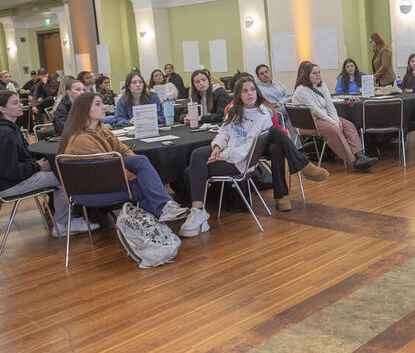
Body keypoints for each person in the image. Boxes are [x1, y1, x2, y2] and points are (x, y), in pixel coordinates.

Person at [183, 77, 329, 235]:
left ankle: (197, 211)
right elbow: (224, 132)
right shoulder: (233, 111)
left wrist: (224, 156)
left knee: (275, 144)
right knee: (197, 155)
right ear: (238, 94)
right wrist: (218, 147)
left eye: (252, 90)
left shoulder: (262, 113)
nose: (250, 94)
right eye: (245, 91)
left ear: (257, 91)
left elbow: (248, 148)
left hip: (240, 161)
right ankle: (303, 165)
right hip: (230, 152)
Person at [58, 93, 188, 222]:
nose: (103, 107)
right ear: (84, 110)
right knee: (147, 186)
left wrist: (137, 173)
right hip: (92, 190)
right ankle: (156, 216)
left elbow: (122, 150)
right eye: (98, 104)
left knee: (142, 167)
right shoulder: (81, 140)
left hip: (105, 181)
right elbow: (107, 169)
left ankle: (155, 218)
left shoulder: (102, 130)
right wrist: (135, 176)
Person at [0, 90, 97, 237]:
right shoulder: (6, 133)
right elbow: (10, 170)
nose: (21, 105)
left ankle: (65, 221)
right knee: (65, 179)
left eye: (20, 101)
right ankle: (64, 224)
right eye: (15, 103)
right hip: (11, 185)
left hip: (12, 181)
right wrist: (37, 166)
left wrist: (37, 166)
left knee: (58, 173)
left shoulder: (12, 129)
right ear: (2, 109)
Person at [292, 62, 377, 172]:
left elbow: (330, 106)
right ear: (307, 75)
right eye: (314, 73)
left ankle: (360, 155)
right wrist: (334, 123)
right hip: (308, 122)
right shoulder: (301, 90)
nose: (318, 75)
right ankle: (354, 162)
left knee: (348, 125)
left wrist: (336, 120)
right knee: (334, 129)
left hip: (324, 118)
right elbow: (315, 111)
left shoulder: (322, 86)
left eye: (319, 72)